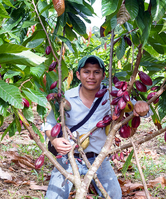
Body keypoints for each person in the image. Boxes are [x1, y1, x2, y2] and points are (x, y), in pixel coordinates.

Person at [44, 55, 150, 199]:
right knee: (53, 197)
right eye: (86, 72)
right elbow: (49, 124)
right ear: (78, 75)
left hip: (98, 158)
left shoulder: (112, 97)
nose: (91, 76)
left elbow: (138, 108)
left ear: (103, 75)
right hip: (68, 157)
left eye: (96, 72)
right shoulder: (65, 98)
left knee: (114, 196)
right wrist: (54, 140)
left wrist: (141, 106)